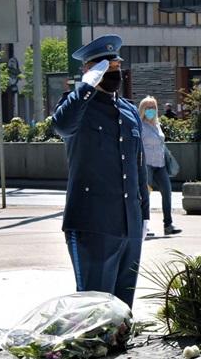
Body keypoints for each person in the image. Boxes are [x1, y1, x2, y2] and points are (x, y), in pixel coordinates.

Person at [51, 34, 150, 309]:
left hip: (129, 224)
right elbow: (61, 126)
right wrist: (85, 87)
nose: (113, 73)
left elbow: (137, 165)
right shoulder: (77, 107)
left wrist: (143, 215)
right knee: (93, 307)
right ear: (90, 71)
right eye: (105, 69)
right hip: (93, 225)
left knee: (122, 307)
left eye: (116, 67)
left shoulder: (129, 111)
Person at [139, 95, 182, 236]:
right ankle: (144, 224)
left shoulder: (157, 124)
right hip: (146, 165)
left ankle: (168, 224)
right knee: (145, 195)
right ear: (143, 109)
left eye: (154, 107)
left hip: (160, 164)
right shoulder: (140, 125)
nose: (151, 110)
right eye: (148, 108)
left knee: (167, 192)